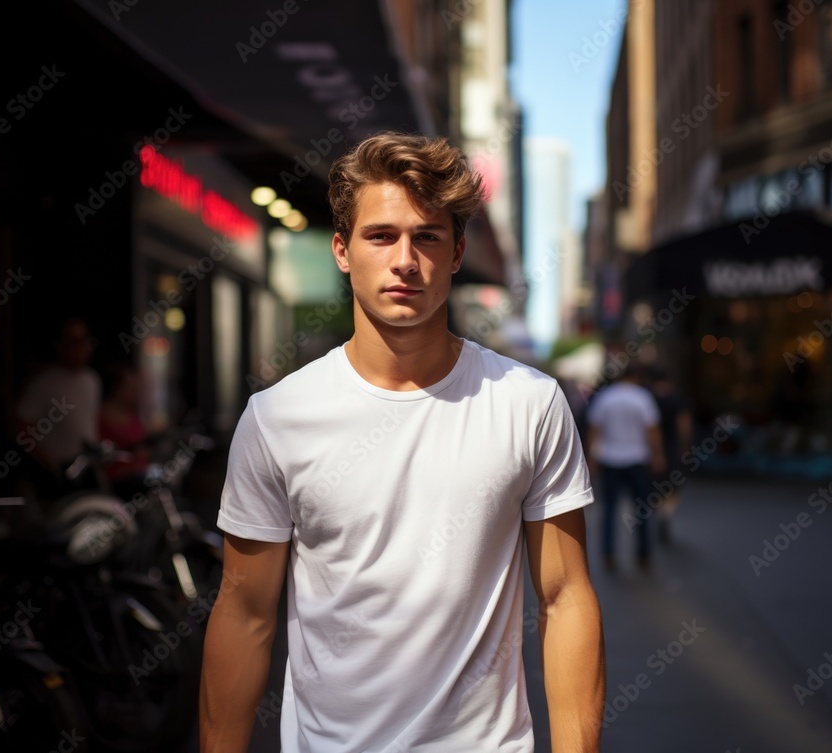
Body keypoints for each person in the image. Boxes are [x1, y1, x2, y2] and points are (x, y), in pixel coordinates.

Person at [200, 132, 605, 753]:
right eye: (381, 235)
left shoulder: (529, 403)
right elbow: (245, 613)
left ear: (458, 252)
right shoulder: (278, 417)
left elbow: (565, 595)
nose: (405, 259)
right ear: (342, 250)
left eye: (428, 236)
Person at [585, 362, 666, 572]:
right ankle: (643, 552)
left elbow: (594, 429)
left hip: (610, 459)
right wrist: (657, 455)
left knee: (609, 509)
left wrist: (591, 458)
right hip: (637, 458)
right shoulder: (642, 397)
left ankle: (608, 553)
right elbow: (652, 429)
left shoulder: (605, 398)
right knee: (642, 508)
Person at [14, 317, 102, 479]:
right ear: (60, 345)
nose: (81, 349)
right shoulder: (44, 383)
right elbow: (22, 428)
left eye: (84, 342)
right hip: (57, 471)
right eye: (74, 343)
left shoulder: (91, 379)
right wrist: (50, 465)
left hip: (87, 466)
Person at [646, 366, 692, 544]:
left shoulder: (647, 398)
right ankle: (666, 513)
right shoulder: (677, 399)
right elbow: (684, 425)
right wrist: (686, 446)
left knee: (655, 485)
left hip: (650, 450)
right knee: (673, 487)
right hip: (672, 448)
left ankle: (658, 511)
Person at [97, 360, 151, 484]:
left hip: (140, 475)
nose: (135, 394)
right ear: (117, 389)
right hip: (118, 480)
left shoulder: (135, 415)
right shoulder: (101, 417)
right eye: (130, 389)